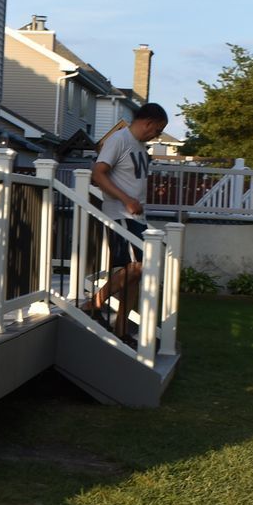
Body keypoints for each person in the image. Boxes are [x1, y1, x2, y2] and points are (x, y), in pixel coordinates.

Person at [84, 102, 168, 339]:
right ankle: (94, 302)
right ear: (148, 123)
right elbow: (98, 173)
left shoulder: (139, 146)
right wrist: (126, 199)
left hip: (137, 217)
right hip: (120, 215)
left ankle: (121, 330)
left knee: (135, 276)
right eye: (158, 130)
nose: (157, 135)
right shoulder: (119, 140)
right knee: (137, 267)